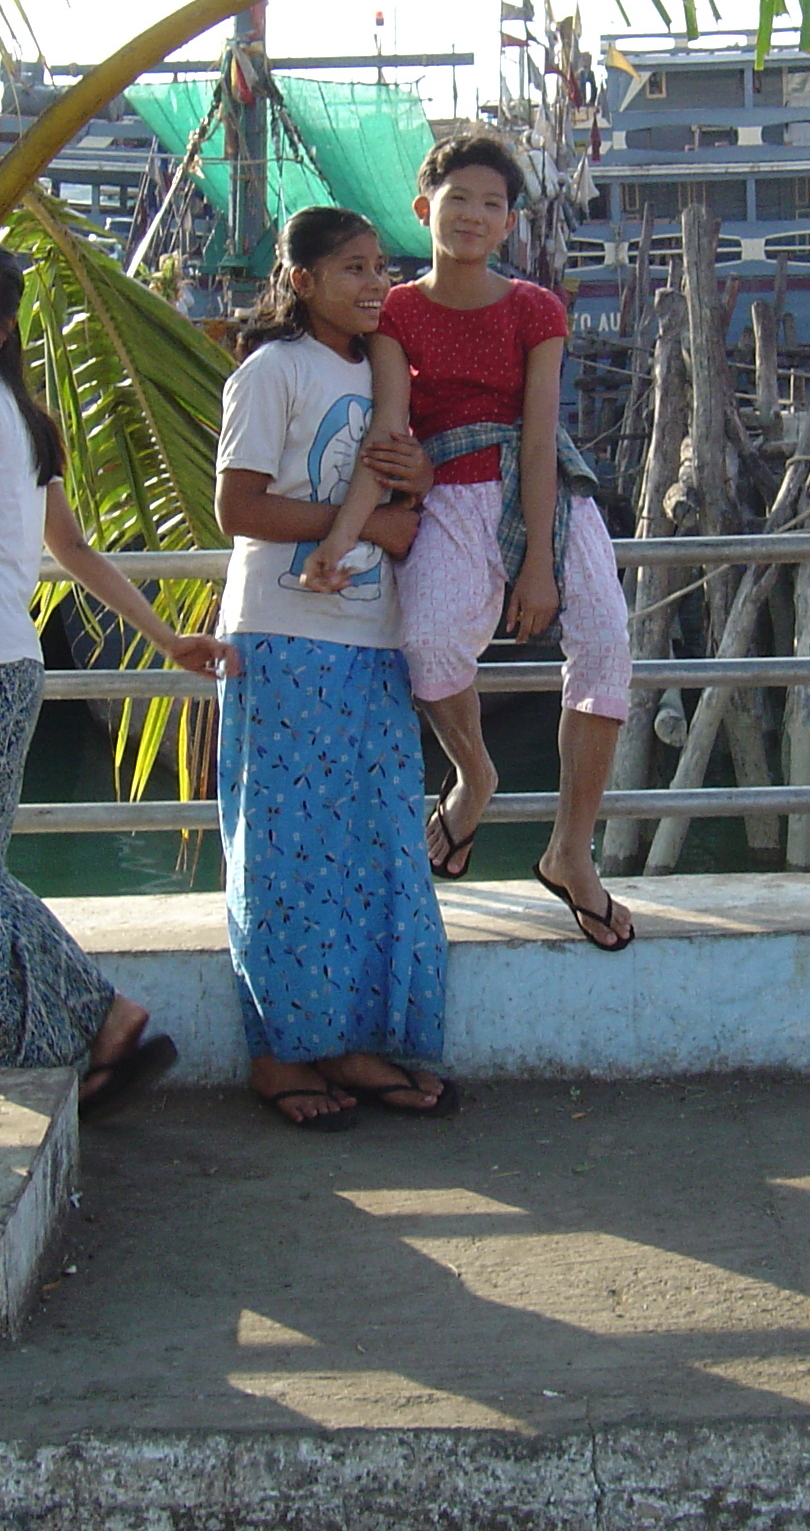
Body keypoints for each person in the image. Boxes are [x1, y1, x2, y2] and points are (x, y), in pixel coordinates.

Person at [0, 245, 234, 1114]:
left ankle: (17, 1061)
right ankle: (106, 1014)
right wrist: (164, 636)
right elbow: (70, 549)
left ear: (1, 330)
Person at [304, 135, 635, 952]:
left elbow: (537, 436)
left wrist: (536, 565)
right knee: (425, 644)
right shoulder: (399, 313)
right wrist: (341, 539)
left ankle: (570, 852)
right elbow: (389, 430)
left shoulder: (535, 308)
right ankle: (475, 775)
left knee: (605, 644)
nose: (474, 215)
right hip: (445, 494)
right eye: (459, 200)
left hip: (544, 494)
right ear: (425, 211)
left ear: (511, 220)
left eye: (492, 203)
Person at [215, 206, 458, 1130]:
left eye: (379, 267)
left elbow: (409, 485)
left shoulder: (386, 374)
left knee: (367, 852)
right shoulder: (271, 370)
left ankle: (351, 1040)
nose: (371, 284)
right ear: (303, 280)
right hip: (282, 638)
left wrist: (415, 494)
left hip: (369, 643)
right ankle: (282, 1055)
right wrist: (366, 527)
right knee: (282, 853)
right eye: (351, 268)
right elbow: (239, 507)